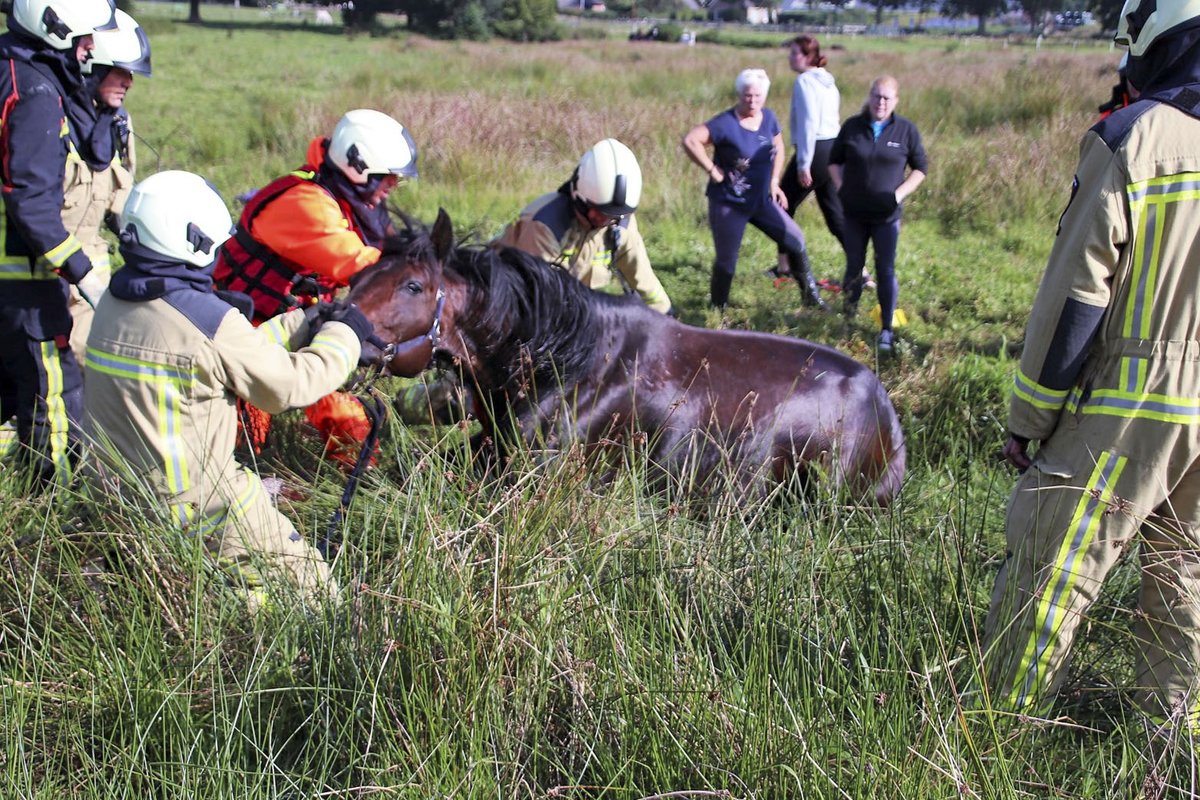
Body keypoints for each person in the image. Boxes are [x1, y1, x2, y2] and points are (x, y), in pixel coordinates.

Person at [984, 0, 1200, 733]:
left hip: (1135, 400)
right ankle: (1172, 748)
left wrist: (1029, 420)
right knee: (1187, 587)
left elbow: (1076, 297)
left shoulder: (1132, 138)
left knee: (1051, 568)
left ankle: (997, 735)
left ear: (1153, 46)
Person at [83, 171, 375, 608]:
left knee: (218, 594)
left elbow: (224, 357)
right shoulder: (206, 321)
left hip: (118, 499)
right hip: (201, 504)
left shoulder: (115, 302)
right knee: (316, 592)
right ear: (193, 243)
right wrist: (344, 334)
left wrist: (303, 322)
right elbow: (287, 387)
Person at [212, 108, 416, 457]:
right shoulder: (305, 203)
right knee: (247, 436)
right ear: (359, 166)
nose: (393, 186)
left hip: (304, 323)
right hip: (250, 328)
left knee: (348, 423)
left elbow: (393, 252)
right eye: (387, 176)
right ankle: (243, 475)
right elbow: (363, 266)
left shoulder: (355, 201)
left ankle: (362, 482)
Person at [0, 0, 116, 486]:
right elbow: (28, 199)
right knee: (56, 392)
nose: (93, 48)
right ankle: (54, 501)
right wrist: (80, 270)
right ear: (56, 28)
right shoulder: (36, 92)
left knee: (10, 386)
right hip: (24, 279)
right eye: (87, 36)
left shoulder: (8, 71)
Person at [682, 68, 827, 311]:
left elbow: (778, 146)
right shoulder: (724, 123)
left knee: (795, 240)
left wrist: (774, 181)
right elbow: (690, 140)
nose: (752, 101)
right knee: (727, 262)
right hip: (729, 203)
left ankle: (810, 298)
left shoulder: (768, 118)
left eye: (758, 96)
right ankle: (719, 309)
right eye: (748, 95)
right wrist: (712, 170)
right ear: (739, 94)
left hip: (760, 202)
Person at [493, 138, 673, 315]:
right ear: (578, 197)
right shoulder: (544, 225)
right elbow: (544, 300)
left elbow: (643, 279)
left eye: (612, 216)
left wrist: (667, 317)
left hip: (575, 309)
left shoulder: (620, 223)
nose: (604, 221)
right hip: (512, 305)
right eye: (599, 212)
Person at [62, 8, 151, 359]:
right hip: (42, 280)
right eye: (120, 72)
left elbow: (122, 205)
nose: (129, 81)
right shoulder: (51, 122)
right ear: (90, 67)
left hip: (92, 285)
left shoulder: (117, 125)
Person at [829, 75, 927, 353]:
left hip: (886, 216)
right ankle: (847, 320)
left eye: (886, 98)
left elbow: (920, 168)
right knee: (854, 266)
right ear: (869, 97)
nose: (880, 102)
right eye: (876, 96)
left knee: (885, 269)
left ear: (895, 100)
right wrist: (841, 187)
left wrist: (898, 194)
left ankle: (886, 329)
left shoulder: (906, 130)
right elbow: (834, 162)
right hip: (854, 213)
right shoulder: (852, 126)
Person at [774, 35, 845, 282]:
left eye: (794, 53)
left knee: (780, 204)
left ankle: (785, 267)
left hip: (814, 149)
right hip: (832, 149)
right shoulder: (828, 81)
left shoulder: (804, 81)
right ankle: (861, 270)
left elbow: (808, 125)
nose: (790, 57)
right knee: (835, 214)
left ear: (808, 56)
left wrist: (804, 163)